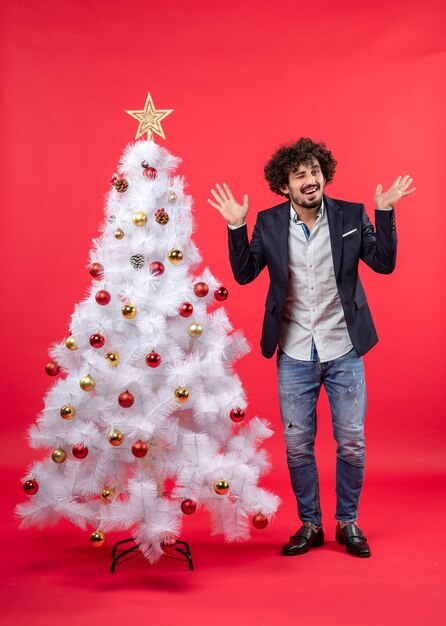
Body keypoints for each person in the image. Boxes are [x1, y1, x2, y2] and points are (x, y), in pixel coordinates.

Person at [207, 137, 415, 558]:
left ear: (325, 175)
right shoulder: (267, 223)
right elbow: (245, 274)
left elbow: (384, 263)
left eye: (315, 171)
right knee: (298, 444)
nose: (310, 179)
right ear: (284, 186)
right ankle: (311, 524)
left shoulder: (352, 216)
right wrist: (235, 226)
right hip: (295, 350)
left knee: (352, 440)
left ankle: (347, 522)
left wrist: (385, 211)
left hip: (344, 348)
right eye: (299, 174)